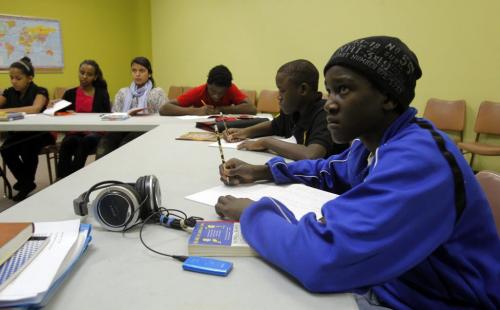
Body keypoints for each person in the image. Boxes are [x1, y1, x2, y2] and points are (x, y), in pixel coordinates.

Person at [215, 36, 500, 309]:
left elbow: (321, 258)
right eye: (329, 90)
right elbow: (328, 170)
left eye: (343, 89)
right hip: (392, 282)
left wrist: (252, 214)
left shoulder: (420, 159)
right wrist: (264, 171)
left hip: (428, 301)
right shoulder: (371, 144)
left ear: (387, 97)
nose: (329, 103)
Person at [224, 59, 348, 160]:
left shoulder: (324, 114)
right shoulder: (293, 109)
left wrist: (266, 142)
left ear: (303, 89)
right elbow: (274, 126)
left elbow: (312, 155)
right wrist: (244, 132)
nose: (279, 96)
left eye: (282, 90)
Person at [0, 57, 55, 201]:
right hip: (19, 134)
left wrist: (8, 110)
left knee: (27, 148)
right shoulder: (9, 92)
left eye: (18, 78)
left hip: (39, 134)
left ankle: (25, 185)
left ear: (29, 78)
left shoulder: (40, 91)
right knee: (6, 149)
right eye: (11, 78)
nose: (13, 81)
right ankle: (27, 182)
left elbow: (35, 108)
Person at [95, 57, 166, 159]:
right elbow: (114, 114)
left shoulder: (157, 92)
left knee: (125, 144)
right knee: (105, 141)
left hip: (146, 130)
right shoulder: (123, 93)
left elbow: (163, 115)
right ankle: (100, 172)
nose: (137, 74)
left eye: (141, 70)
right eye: (134, 70)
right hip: (122, 128)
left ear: (149, 74)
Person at [56, 60, 111, 178]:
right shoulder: (70, 93)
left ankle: (73, 177)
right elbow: (60, 115)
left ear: (95, 77)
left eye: (89, 74)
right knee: (67, 142)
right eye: (82, 73)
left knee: (86, 141)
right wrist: (60, 111)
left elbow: (106, 116)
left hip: (95, 132)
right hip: (75, 131)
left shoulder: (101, 94)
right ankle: (61, 177)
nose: (84, 77)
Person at [159, 65, 256, 116]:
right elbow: (164, 108)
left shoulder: (231, 89)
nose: (216, 96)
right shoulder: (199, 91)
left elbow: (252, 109)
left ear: (227, 88)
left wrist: (222, 109)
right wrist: (195, 111)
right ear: (207, 84)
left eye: (221, 93)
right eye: (213, 91)